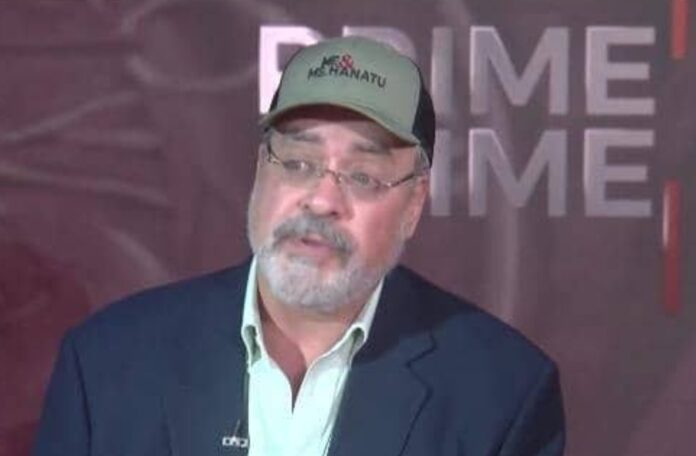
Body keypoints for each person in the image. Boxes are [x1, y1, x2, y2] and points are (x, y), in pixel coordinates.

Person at [34, 36, 564, 456]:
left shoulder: (500, 393)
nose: (322, 199)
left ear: (413, 204)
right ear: (261, 170)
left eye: (362, 175)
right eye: (298, 163)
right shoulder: (108, 361)